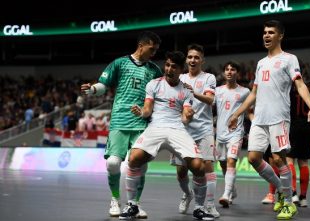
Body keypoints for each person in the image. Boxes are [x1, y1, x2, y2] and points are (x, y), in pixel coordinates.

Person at [228, 20, 310, 220]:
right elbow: (254, 93)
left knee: (278, 158)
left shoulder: (289, 59)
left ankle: (288, 203)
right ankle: (281, 190)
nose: (266, 35)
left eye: (271, 32)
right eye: (264, 32)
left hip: (279, 118)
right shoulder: (260, 63)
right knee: (253, 158)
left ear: (280, 36)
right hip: (259, 119)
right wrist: (237, 113)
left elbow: (300, 85)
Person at [119, 51, 214, 220]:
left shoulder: (185, 90)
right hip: (156, 127)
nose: (169, 69)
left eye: (174, 67)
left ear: (180, 70)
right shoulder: (154, 84)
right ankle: (132, 205)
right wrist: (141, 112)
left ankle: (199, 208)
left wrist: (188, 115)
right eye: (167, 65)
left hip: (176, 129)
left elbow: (185, 117)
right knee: (133, 158)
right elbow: (148, 109)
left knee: (199, 166)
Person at [80, 30, 163, 218]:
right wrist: (93, 89)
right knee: (112, 163)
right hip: (119, 121)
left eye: (156, 50)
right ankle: (115, 199)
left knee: (140, 165)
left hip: (142, 123)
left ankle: (134, 203)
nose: (154, 53)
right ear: (142, 45)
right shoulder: (119, 63)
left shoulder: (154, 70)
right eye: (152, 49)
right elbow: (104, 84)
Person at [261, 80, 310, 207]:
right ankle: (303, 197)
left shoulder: (290, 90)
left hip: (291, 127)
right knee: (303, 162)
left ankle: (292, 193)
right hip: (306, 128)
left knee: (289, 160)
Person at [168, 44, 219, 217]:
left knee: (207, 167)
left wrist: (193, 92)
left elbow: (210, 100)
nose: (192, 60)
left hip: (204, 130)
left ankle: (210, 205)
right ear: (186, 59)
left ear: (202, 60)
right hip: (182, 131)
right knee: (181, 171)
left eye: (196, 57)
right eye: (190, 57)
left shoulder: (209, 78)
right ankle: (187, 194)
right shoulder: (179, 77)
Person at [214, 61, 250, 208]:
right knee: (222, 164)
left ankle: (226, 194)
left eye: (232, 69)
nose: (229, 71)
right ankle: (232, 190)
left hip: (236, 133)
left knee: (231, 161)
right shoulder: (217, 91)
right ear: (224, 73)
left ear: (237, 73)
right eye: (227, 69)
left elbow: (251, 111)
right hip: (220, 134)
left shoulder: (245, 92)